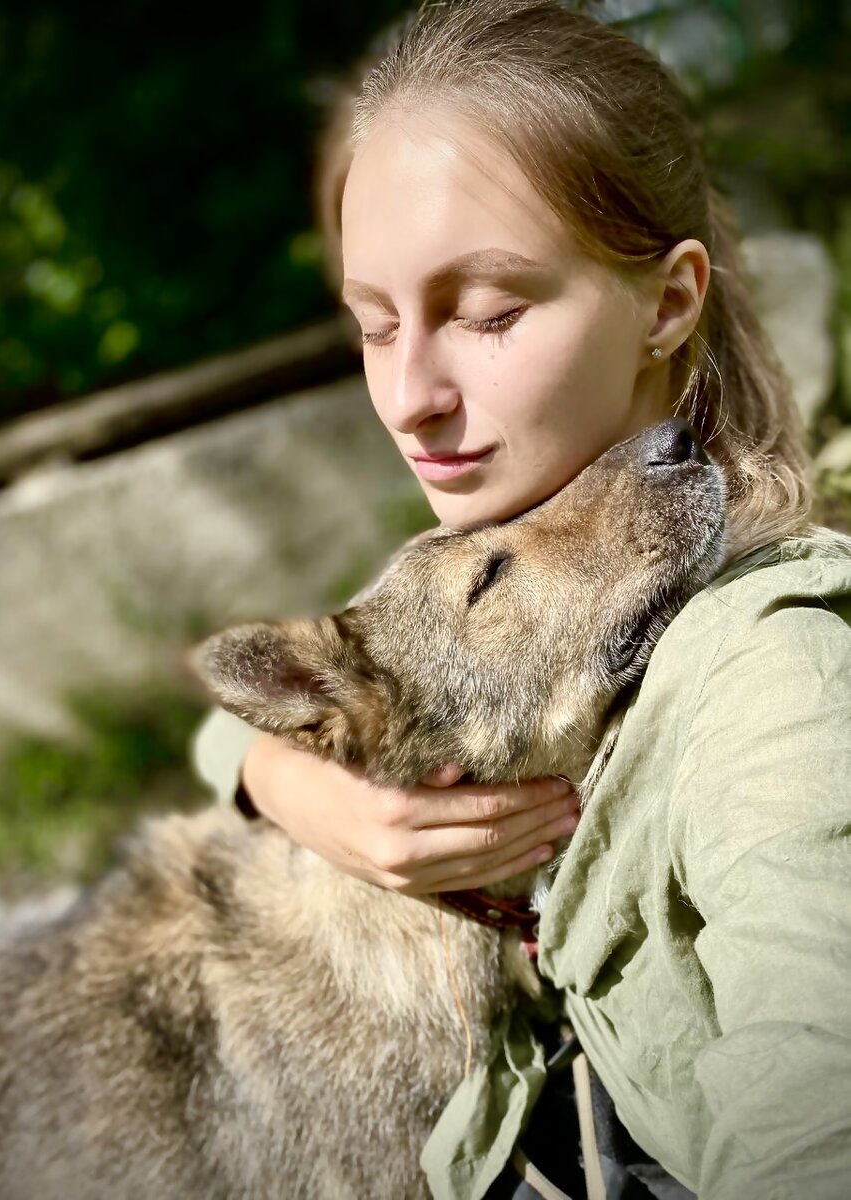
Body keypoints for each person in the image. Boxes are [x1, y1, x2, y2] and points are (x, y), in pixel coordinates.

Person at [192, 3, 851, 1197]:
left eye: (489, 314)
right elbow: (258, 702)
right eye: (373, 325)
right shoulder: (521, 520)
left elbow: (818, 1112)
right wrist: (294, 783)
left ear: (666, 302)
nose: (406, 398)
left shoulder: (773, 681)